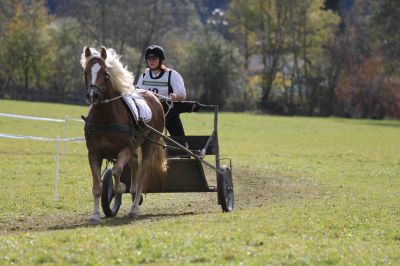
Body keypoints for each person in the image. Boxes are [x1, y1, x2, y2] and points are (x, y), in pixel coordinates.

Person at [136, 45, 200, 136]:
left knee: (178, 136)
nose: (151, 61)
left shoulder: (171, 75)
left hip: (168, 109)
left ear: (160, 60)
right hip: (148, 111)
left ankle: (180, 145)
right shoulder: (144, 75)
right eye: (149, 58)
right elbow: (138, 93)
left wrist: (175, 96)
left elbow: (182, 95)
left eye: (154, 58)